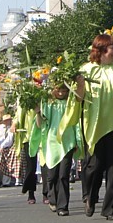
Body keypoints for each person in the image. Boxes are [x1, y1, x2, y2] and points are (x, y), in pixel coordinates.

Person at [60, 33, 113, 221]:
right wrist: (80, 85)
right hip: (94, 124)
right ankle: (90, 197)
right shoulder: (86, 70)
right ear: (102, 49)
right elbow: (79, 98)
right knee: (93, 166)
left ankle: (111, 209)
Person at [35, 84, 81, 216]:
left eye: (64, 90)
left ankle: (63, 206)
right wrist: (37, 111)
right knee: (52, 174)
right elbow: (40, 124)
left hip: (68, 142)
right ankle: (53, 199)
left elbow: (76, 123)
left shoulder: (71, 104)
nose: (61, 93)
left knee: (64, 175)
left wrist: (77, 141)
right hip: (52, 143)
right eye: (58, 90)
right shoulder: (49, 103)